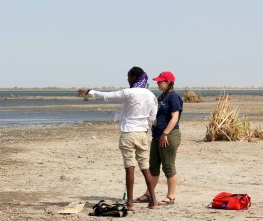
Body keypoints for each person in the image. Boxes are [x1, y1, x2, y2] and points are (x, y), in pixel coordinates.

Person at [77, 66, 158, 210]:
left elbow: (107, 96)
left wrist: (90, 92)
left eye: (128, 77)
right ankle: (154, 201)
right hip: (142, 134)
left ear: (133, 77)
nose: (127, 79)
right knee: (145, 167)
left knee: (130, 168)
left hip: (128, 133)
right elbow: (152, 117)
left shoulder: (129, 92)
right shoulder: (151, 95)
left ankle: (130, 202)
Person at [134, 71, 183, 206]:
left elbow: (175, 118)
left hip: (169, 135)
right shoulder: (162, 96)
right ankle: (148, 194)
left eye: (160, 81)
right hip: (157, 136)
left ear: (168, 82)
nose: (157, 82)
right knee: (153, 166)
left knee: (168, 166)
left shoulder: (173, 97)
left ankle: (171, 197)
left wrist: (165, 134)